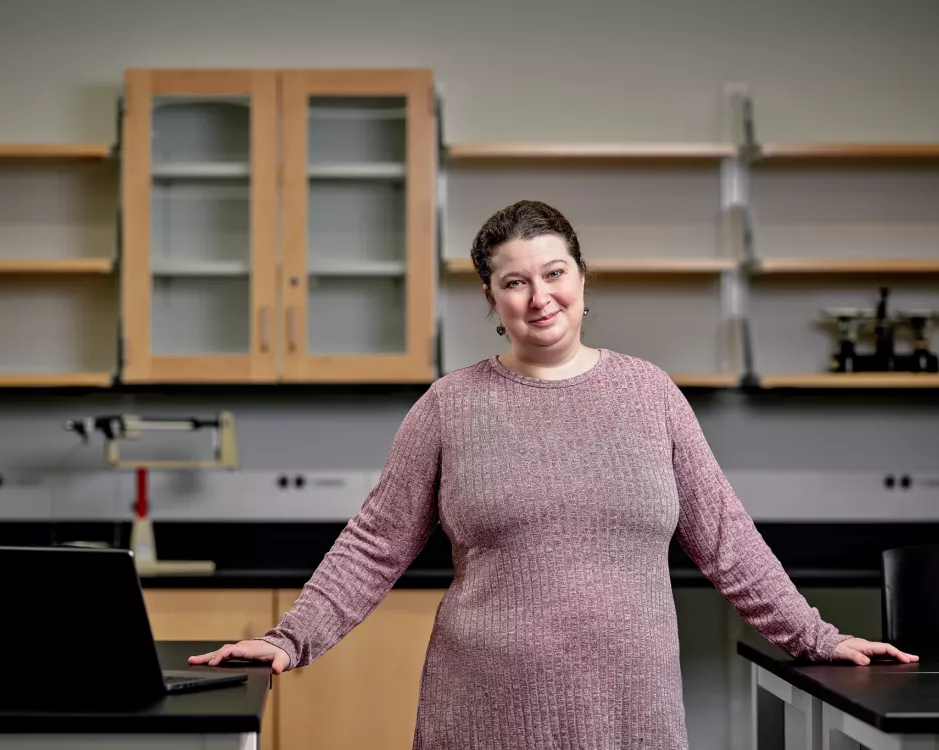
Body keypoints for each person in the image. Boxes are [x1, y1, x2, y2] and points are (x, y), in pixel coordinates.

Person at [190, 200, 917, 749]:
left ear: (581, 276)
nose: (539, 297)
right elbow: (374, 543)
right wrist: (290, 639)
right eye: (514, 282)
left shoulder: (651, 394)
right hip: (483, 713)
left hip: (632, 714)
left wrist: (815, 637)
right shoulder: (449, 406)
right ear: (491, 299)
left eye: (553, 273)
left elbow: (725, 537)